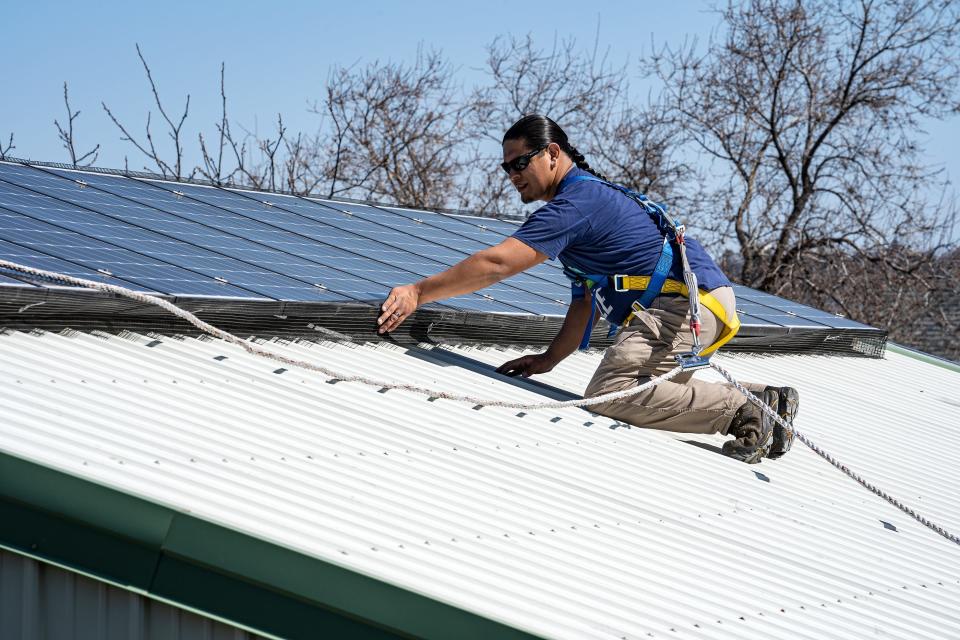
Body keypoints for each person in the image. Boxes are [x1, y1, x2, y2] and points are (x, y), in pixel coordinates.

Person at [378, 114, 798, 464]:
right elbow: (585, 301)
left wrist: (418, 292)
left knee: (610, 395)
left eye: (520, 163)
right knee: (650, 396)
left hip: (681, 305)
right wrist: (549, 359)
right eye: (506, 168)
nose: (512, 175)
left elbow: (497, 263)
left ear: (553, 154)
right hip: (701, 302)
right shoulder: (584, 207)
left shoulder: (577, 204)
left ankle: (743, 409)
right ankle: (764, 402)